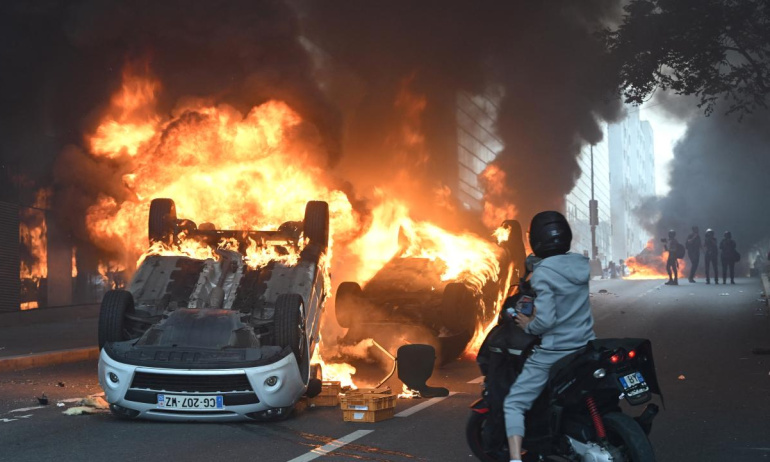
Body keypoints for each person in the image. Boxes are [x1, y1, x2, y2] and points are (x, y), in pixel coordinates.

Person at [504, 211, 596, 462]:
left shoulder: (543, 273)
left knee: (514, 403)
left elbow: (545, 321)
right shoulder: (580, 264)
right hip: (586, 345)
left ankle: (515, 459)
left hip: (556, 351)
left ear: (535, 240)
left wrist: (528, 325)